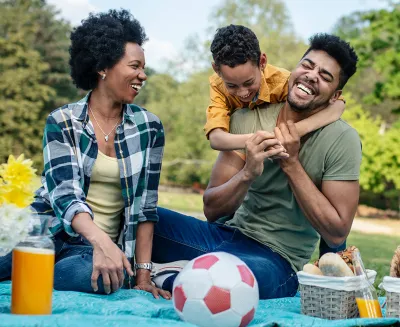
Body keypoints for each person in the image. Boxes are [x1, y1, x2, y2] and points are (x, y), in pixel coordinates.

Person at [151, 34, 361, 300]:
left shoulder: (343, 140)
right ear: (293, 71)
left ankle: (171, 274)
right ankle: (180, 272)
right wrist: (247, 173)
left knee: (238, 281)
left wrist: (291, 163)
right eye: (307, 66)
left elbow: (336, 233)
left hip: (275, 261)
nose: (311, 75)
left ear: (336, 96)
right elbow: (212, 210)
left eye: (325, 76)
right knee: (142, 218)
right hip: (222, 237)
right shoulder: (246, 119)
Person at [0, 10, 170, 299]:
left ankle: (35, 271)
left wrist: (142, 275)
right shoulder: (62, 120)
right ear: (103, 67)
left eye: (144, 67)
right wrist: (102, 241)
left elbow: (146, 208)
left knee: (101, 278)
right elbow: (65, 195)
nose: (143, 75)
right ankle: (31, 264)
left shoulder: (149, 128)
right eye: (135, 66)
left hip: (88, 251)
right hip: (47, 232)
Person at [204, 25, 345, 152]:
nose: (242, 92)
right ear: (217, 70)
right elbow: (216, 139)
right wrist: (267, 139)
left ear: (262, 62)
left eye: (249, 82)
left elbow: (337, 106)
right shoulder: (218, 85)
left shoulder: (282, 81)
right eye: (232, 85)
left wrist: (294, 132)